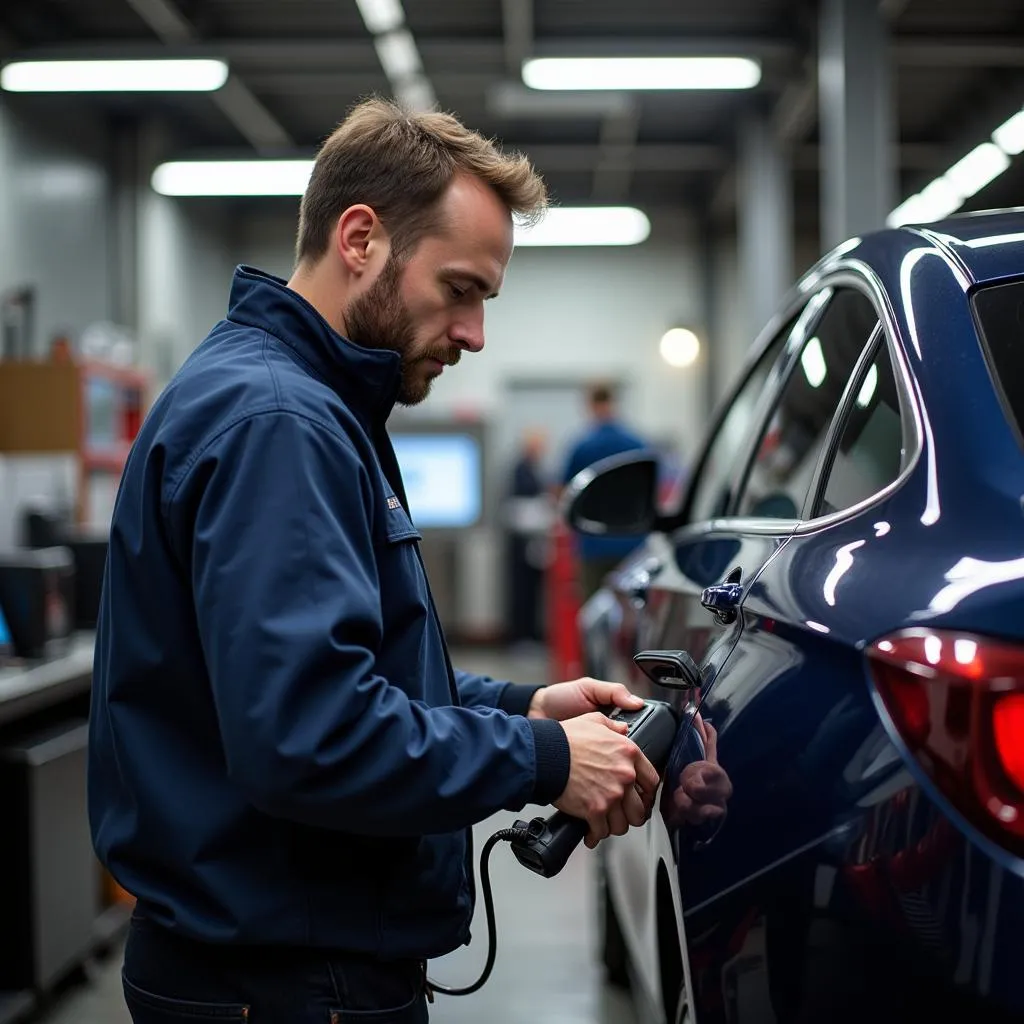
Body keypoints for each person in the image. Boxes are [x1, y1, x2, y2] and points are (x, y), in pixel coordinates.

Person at [88, 98, 660, 1024]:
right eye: (461, 289)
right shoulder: (280, 424)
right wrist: (543, 758)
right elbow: (308, 736)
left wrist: (520, 704)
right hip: (285, 982)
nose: (474, 333)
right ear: (361, 238)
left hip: (278, 961)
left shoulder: (302, 403)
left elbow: (349, 673)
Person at [562, 382, 648, 599]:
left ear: (590, 405)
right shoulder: (636, 443)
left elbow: (565, 493)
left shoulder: (582, 447)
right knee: (632, 615)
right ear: (613, 402)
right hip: (632, 543)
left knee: (594, 611)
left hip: (594, 544)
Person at [504, 429, 552, 645]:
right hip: (522, 542)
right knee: (522, 591)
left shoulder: (533, 469)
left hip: (533, 541)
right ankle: (521, 636)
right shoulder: (520, 471)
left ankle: (531, 635)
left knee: (533, 592)